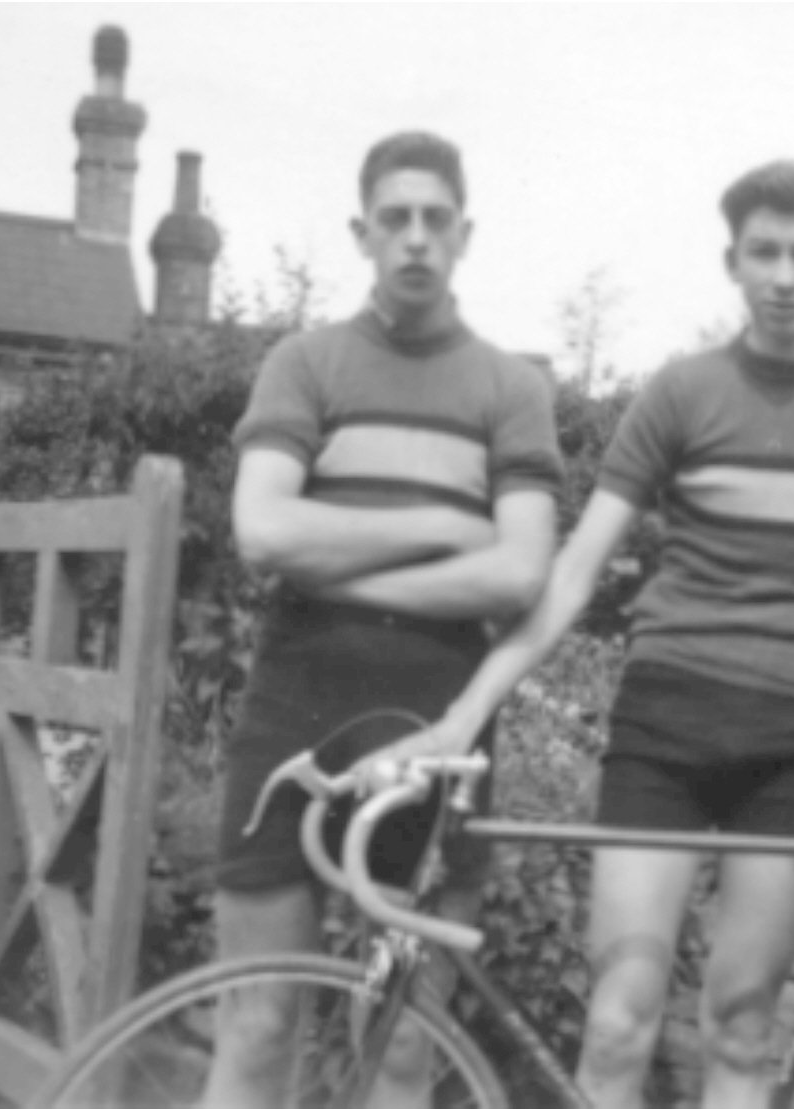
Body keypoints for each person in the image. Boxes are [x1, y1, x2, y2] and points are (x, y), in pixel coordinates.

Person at [376, 160, 794, 1109]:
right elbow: (575, 571)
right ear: (732, 262)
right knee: (620, 1022)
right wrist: (465, 713)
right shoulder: (678, 392)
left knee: (741, 1030)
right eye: (764, 253)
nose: (784, 276)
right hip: (664, 722)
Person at [210, 131, 562, 1108]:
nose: (415, 238)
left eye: (434, 219)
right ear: (362, 232)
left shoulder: (510, 387)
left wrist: (352, 565)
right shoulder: (305, 362)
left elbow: (519, 571)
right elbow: (264, 530)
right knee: (257, 1022)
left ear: (465, 233)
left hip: (437, 716)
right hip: (298, 701)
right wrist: (444, 524)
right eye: (395, 219)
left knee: (404, 1041)